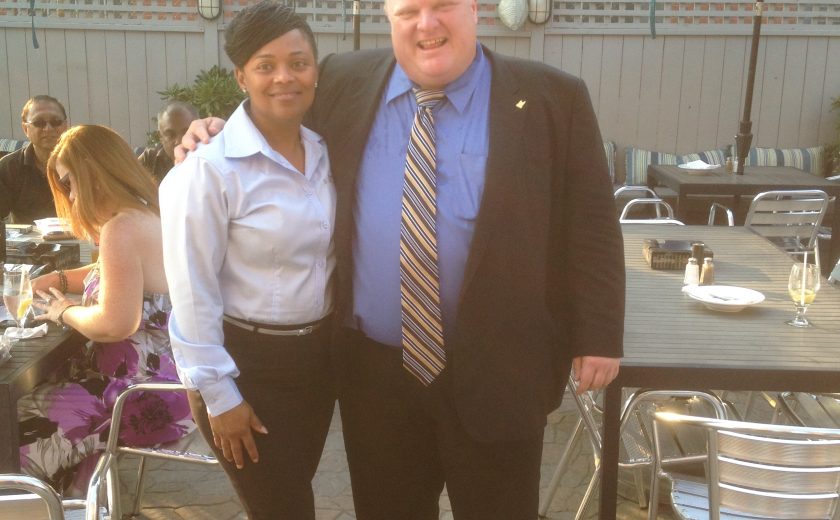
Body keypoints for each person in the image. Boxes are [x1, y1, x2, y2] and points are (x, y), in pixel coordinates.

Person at [180, 0, 625, 515]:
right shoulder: (342, 81)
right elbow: (275, 116)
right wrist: (214, 130)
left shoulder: (551, 96)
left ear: (474, 9)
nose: (427, 24)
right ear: (389, 19)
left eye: (443, 6)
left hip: (498, 367)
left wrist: (597, 334)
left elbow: (590, 222)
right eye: (409, 10)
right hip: (376, 377)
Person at [159, 3, 335, 519]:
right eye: (265, 65)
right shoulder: (208, 171)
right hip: (244, 368)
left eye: (298, 62)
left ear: (316, 70)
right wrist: (219, 394)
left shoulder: (326, 151)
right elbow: (191, 289)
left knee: (287, 496)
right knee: (285, 509)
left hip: (316, 365)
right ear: (241, 75)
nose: (285, 76)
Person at [18, 124, 193, 496]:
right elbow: (107, 273)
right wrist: (55, 281)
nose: (71, 193)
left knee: (15, 421)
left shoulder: (121, 228)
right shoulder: (144, 214)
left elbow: (115, 323)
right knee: (39, 394)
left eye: (70, 182)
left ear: (93, 173)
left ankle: (42, 503)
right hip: (170, 385)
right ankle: (79, 499)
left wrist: (63, 311)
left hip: (135, 395)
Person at [0, 95, 68, 224]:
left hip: (82, 241)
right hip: (28, 243)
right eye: (39, 123)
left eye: (56, 121)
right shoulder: (8, 167)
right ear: (26, 129)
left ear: (65, 125)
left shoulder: (86, 163)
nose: (48, 128)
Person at [138, 101, 199, 183]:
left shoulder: (210, 160)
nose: (179, 141)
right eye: (171, 135)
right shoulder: (149, 160)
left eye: (186, 132)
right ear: (160, 136)